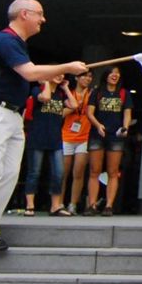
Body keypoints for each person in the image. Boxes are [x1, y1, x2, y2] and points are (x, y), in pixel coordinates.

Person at [0, 0, 87, 251]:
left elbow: (28, 76)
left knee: (8, 173)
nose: (43, 19)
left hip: (10, 115)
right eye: (39, 14)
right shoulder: (6, 39)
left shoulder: (15, 43)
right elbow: (30, 73)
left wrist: (56, 73)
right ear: (24, 14)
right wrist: (67, 67)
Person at [24, 74, 78, 216]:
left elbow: (74, 105)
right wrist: (46, 82)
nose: (60, 76)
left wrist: (66, 88)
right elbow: (45, 97)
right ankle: (30, 205)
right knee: (34, 172)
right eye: (56, 73)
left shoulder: (60, 94)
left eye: (62, 74)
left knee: (58, 173)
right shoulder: (37, 90)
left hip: (55, 138)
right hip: (37, 136)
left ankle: (55, 205)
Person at [85, 66, 133, 216]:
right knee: (94, 170)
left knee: (113, 171)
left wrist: (125, 127)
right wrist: (98, 125)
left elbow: (127, 113)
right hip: (97, 134)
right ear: (106, 75)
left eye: (117, 73)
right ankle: (92, 205)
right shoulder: (97, 92)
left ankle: (109, 205)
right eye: (112, 73)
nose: (115, 75)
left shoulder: (124, 93)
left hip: (116, 135)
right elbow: (89, 112)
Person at [60, 70, 93, 215]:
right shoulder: (68, 93)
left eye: (90, 76)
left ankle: (73, 204)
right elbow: (60, 113)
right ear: (76, 78)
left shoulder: (92, 94)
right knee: (63, 173)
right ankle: (59, 203)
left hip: (84, 137)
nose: (87, 78)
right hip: (66, 135)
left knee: (78, 172)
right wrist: (74, 105)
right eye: (84, 76)